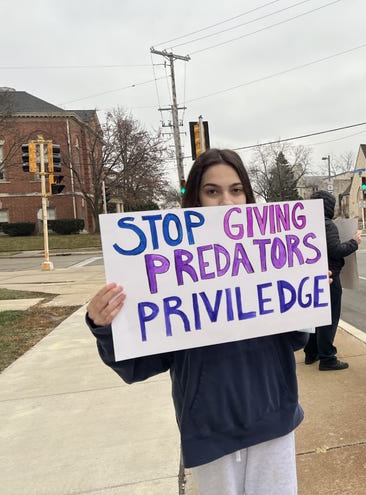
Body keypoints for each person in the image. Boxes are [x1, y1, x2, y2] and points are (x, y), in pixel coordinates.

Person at [86, 149, 308, 495]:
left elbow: (295, 339)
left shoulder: (269, 261)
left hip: (273, 419)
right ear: (195, 198)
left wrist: (304, 291)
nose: (226, 202)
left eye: (236, 190)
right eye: (212, 191)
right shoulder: (171, 271)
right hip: (210, 430)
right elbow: (137, 365)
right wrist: (105, 327)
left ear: (248, 196)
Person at [304, 190, 360, 371]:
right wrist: (354, 242)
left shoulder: (306, 224)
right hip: (329, 276)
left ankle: (311, 352)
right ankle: (328, 357)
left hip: (311, 276)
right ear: (328, 206)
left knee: (314, 318)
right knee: (329, 318)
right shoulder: (327, 225)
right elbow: (335, 250)